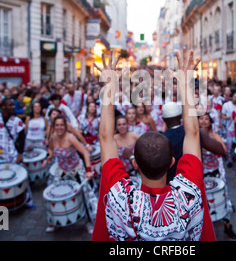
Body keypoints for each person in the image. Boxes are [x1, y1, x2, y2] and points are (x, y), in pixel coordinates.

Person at [92, 49, 216, 241]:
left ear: (135, 164)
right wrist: (185, 82)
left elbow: (105, 137)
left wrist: (109, 86)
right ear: (172, 162)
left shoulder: (119, 197)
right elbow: (192, 133)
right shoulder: (188, 193)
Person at [44, 115, 94, 233]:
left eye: (62, 125)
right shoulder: (53, 137)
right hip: (61, 170)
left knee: (83, 195)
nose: (59, 127)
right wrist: (49, 156)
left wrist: (88, 170)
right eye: (57, 125)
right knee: (54, 196)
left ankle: (88, 222)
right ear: (54, 127)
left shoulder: (71, 138)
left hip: (75, 169)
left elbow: (85, 153)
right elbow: (50, 149)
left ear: (65, 126)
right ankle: (53, 222)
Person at [198, 113, 236, 239]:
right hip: (201, 174)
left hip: (215, 173)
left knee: (222, 197)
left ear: (210, 122)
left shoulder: (215, 136)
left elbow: (224, 151)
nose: (203, 121)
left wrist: (212, 145)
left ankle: (227, 226)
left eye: (206, 119)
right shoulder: (194, 138)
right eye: (201, 119)